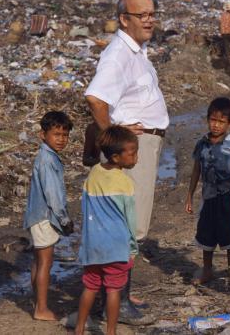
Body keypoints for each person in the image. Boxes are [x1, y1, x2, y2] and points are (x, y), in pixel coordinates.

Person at [85, 0, 167, 323]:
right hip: (133, 147)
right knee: (129, 227)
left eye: (151, 13)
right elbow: (95, 99)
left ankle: (120, 297)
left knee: (131, 223)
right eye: (141, 15)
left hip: (143, 144)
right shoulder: (119, 53)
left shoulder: (137, 51)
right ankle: (116, 306)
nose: (149, 20)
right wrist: (113, 140)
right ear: (124, 19)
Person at [74, 126, 139, 335]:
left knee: (90, 287)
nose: (136, 157)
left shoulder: (94, 173)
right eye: (132, 153)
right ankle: (111, 331)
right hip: (116, 246)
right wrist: (133, 248)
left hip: (93, 245)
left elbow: (85, 206)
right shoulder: (125, 183)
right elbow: (130, 221)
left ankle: (79, 328)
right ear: (116, 157)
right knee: (113, 290)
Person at [23, 111, 74, 321]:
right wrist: (64, 220)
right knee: (45, 262)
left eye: (65, 135)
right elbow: (53, 195)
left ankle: (38, 302)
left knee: (38, 261)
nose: (61, 139)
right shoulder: (47, 160)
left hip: (37, 215)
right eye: (56, 134)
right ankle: (41, 309)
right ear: (43, 135)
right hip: (45, 217)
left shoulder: (47, 156)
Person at [184, 97, 230, 284]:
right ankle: (207, 269)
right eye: (213, 120)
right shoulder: (202, 144)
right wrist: (190, 195)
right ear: (208, 119)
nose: (216, 125)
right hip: (208, 195)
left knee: (229, 231)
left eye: (221, 122)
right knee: (206, 231)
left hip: (227, 194)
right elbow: (196, 170)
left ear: (229, 124)